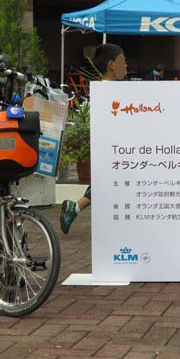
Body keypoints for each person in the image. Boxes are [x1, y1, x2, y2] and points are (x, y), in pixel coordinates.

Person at [60, 43, 127, 235]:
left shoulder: (103, 90)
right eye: (122, 61)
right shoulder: (108, 92)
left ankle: (76, 208)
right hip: (111, 147)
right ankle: (75, 208)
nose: (126, 65)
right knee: (109, 183)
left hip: (110, 146)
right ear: (111, 64)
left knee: (107, 184)